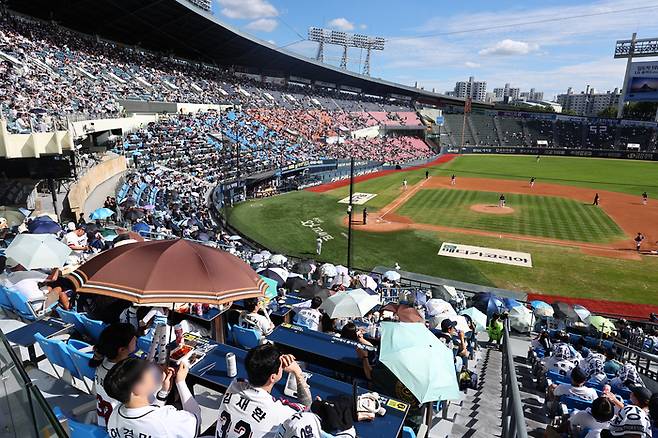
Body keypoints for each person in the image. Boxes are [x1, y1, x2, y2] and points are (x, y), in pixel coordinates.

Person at [215, 344, 311, 438]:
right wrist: (297, 371)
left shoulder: (235, 385)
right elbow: (307, 409)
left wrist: (275, 359)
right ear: (273, 377)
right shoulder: (280, 413)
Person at [105, 358, 200, 438]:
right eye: (149, 371)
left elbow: (149, 413)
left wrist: (163, 392)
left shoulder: (115, 413)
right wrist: (181, 382)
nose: (154, 371)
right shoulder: (166, 420)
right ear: (138, 388)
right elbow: (196, 418)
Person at [90, 323, 137, 427]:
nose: (135, 338)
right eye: (133, 337)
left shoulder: (102, 362)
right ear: (121, 349)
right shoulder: (124, 373)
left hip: (103, 420)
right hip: (118, 425)